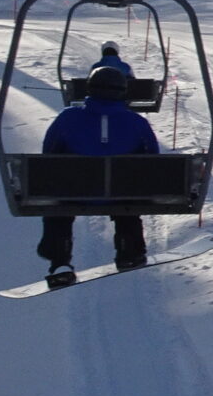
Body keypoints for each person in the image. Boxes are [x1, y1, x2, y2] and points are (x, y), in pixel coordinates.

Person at [37, 63, 159, 285]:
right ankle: (129, 251)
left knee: (58, 209)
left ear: (90, 89)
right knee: (129, 198)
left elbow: (49, 153)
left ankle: (60, 260)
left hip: (75, 192)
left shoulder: (68, 118)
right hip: (121, 193)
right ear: (122, 91)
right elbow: (152, 157)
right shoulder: (137, 122)